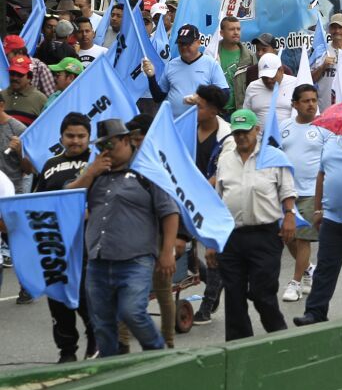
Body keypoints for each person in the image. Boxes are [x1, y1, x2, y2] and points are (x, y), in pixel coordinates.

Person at [68, 119, 179, 357]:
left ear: (126, 141)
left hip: (135, 260)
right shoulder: (95, 173)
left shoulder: (147, 171)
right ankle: (111, 369)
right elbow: (67, 201)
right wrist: (90, 173)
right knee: (103, 323)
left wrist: (167, 251)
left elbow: (169, 212)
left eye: (110, 144)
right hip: (98, 260)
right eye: (100, 146)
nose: (105, 151)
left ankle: (157, 352)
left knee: (132, 311)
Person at [213, 109, 297, 341]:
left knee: (262, 292)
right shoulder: (225, 160)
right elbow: (218, 201)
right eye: (237, 133)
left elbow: (287, 190)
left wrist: (289, 215)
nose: (241, 137)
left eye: (246, 132)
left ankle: (279, 337)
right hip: (232, 236)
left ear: (257, 130)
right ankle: (239, 344)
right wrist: (212, 241)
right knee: (234, 293)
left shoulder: (273, 157)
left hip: (265, 234)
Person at [33, 113, 97, 361]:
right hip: (55, 242)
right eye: (70, 136)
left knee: (85, 297)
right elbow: (37, 200)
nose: (75, 141)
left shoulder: (97, 162)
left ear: (89, 138)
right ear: (61, 137)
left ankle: (95, 342)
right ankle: (67, 351)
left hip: (87, 242)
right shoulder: (50, 165)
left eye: (81, 136)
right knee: (58, 300)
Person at [293, 133, 342, 327]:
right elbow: (321, 174)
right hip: (332, 218)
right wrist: (317, 208)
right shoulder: (330, 141)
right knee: (324, 270)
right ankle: (315, 312)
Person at [279, 84, 328, 302]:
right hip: (287, 192)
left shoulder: (323, 128)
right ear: (295, 104)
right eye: (306, 101)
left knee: (302, 238)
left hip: (311, 192)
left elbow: (329, 162)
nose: (311, 104)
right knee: (287, 235)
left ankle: (295, 283)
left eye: (314, 100)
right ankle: (309, 269)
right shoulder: (284, 126)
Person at [187, 85, 231, 325]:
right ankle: (216, 283)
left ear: (214, 110)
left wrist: (204, 188)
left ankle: (206, 306)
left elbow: (222, 172)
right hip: (190, 198)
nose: (195, 108)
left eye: (200, 106)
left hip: (215, 199)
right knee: (188, 253)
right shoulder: (189, 128)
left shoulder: (227, 136)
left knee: (212, 253)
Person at [143, 23, 229, 116]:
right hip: (175, 123)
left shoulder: (211, 64)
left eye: (188, 44)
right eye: (181, 44)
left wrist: (203, 98)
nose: (184, 47)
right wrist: (151, 77)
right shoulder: (171, 65)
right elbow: (158, 97)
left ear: (198, 43)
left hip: (200, 124)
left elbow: (225, 94)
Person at [243, 53, 298, 123]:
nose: (268, 80)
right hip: (260, 134)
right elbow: (246, 115)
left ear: (281, 70)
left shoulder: (296, 84)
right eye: (264, 77)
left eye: (272, 76)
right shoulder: (252, 87)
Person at [216, 16, 254, 114]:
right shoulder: (212, 54)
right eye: (231, 29)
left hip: (240, 112)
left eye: (238, 29)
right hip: (217, 112)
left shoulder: (249, 57)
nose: (236, 32)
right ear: (221, 33)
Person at [1, 55, 47, 126]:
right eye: (12, 73)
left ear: (29, 77)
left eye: (19, 75)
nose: (15, 78)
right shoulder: (1, 95)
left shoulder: (40, 100)